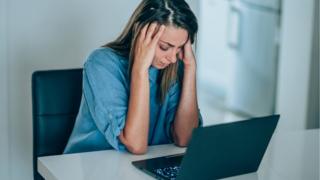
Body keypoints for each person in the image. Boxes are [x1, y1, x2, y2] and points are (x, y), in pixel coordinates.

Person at [64, 0, 203, 155]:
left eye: (179, 48)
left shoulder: (174, 65)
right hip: (91, 166)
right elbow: (136, 145)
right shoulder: (101, 63)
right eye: (165, 47)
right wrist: (140, 69)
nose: (172, 58)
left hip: (140, 166)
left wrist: (190, 68)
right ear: (141, 32)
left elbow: (186, 139)